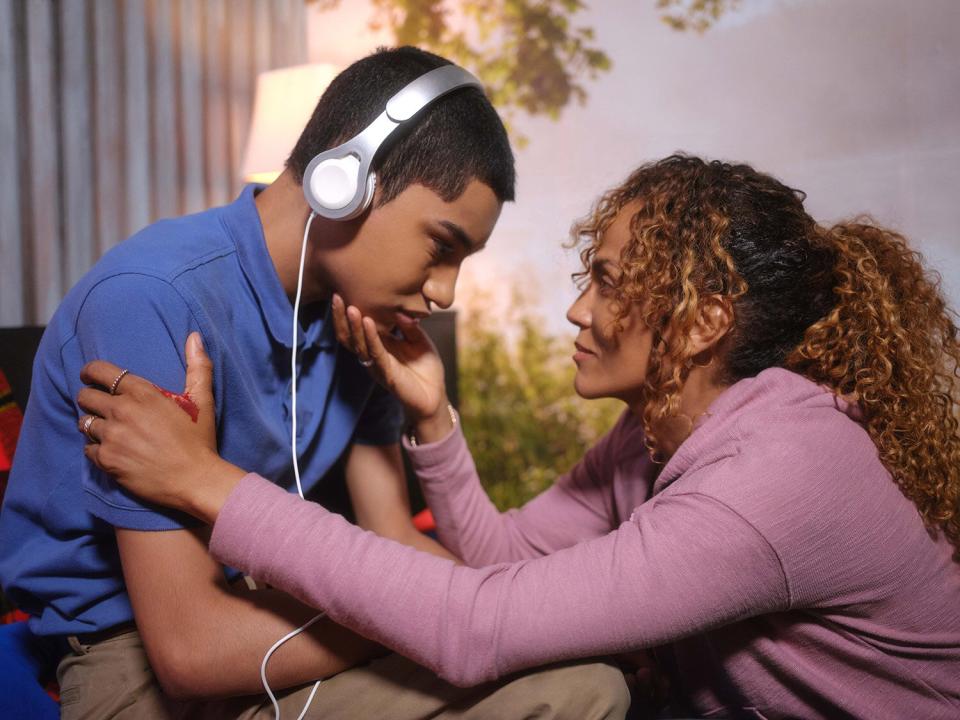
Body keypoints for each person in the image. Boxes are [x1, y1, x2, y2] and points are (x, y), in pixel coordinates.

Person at [78, 154, 960, 719]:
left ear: (704, 323)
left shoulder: (778, 473)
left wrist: (209, 483)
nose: (578, 308)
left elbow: (476, 623)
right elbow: (504, 561)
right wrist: (432, 416)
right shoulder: (658, 432)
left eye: (610, 283)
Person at [0, 47, 630, 719]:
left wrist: (478, 612)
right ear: (344, 179)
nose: (445, 292)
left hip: (278, 617)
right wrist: (437, 617)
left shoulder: (355, 322)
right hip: (135, 662)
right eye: (441, 247)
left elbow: (393, 536)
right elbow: (190, 651)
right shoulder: (152, 299)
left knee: (586, 678)